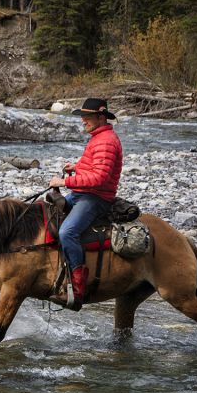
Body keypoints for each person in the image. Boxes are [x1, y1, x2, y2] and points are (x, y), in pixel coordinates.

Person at [48, 98, 123, 310]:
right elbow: (93, 165)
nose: (83, 121)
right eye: (83, 117)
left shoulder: (106, 141)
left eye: (87, 117)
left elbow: (99, 178)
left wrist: (64, 181)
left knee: (67, 232)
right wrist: (77, 167)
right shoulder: (98, 137)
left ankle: (78, 288)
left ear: (101, 117)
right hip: (84, 194)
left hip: (95, 198)